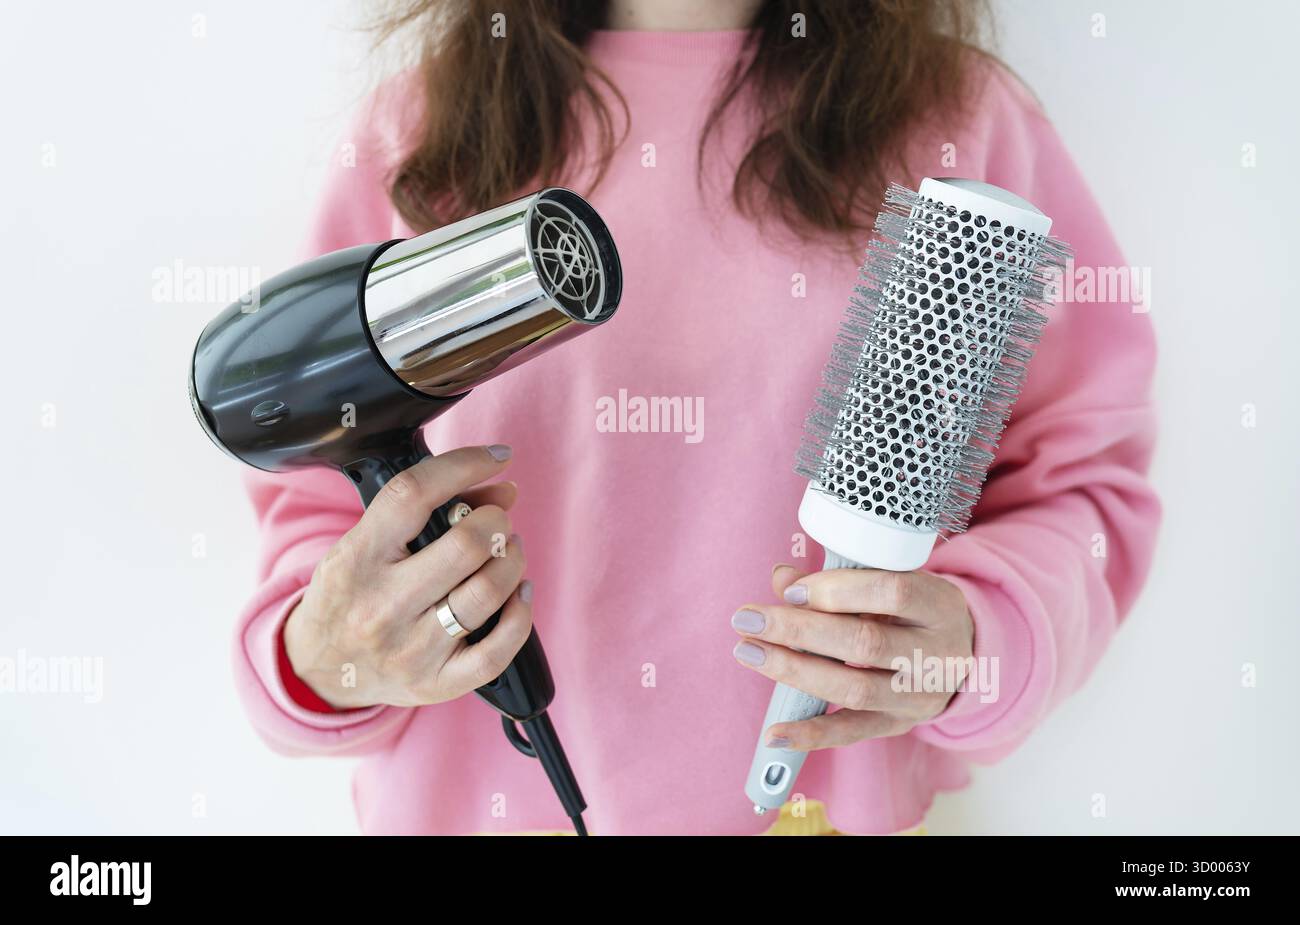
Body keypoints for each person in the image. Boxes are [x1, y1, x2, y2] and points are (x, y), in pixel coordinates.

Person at [234, 0, 1160, 834]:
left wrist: (974, 639)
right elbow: (316, 513)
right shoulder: (424, 131)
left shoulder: (960, 121)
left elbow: (1081, 487)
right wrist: (322, 658)